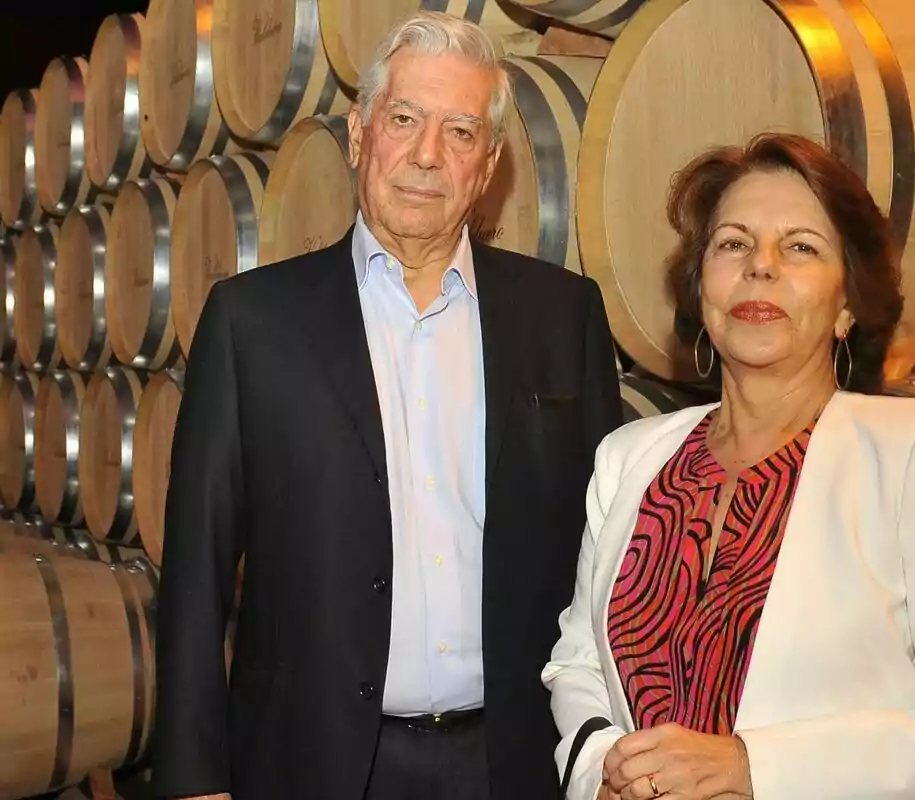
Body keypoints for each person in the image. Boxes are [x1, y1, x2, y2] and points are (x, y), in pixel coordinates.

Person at [151, 11, 623, 800]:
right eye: (404, 119)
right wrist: (195, 780)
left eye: (461, 132)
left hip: (514, 761)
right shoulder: (251, 323)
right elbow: (196, 572)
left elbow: (610, 562)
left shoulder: (563, 315)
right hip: (312, 762)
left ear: (490, 164)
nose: (427, 155)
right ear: (359, 135)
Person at [542, 132, 915, 800]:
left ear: (848, 304)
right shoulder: (630, 457)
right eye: (733, 244)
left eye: (800, 246)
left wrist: (757, 768)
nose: (760, 267)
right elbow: (577, 665)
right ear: (701, 288)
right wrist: (606, 768)